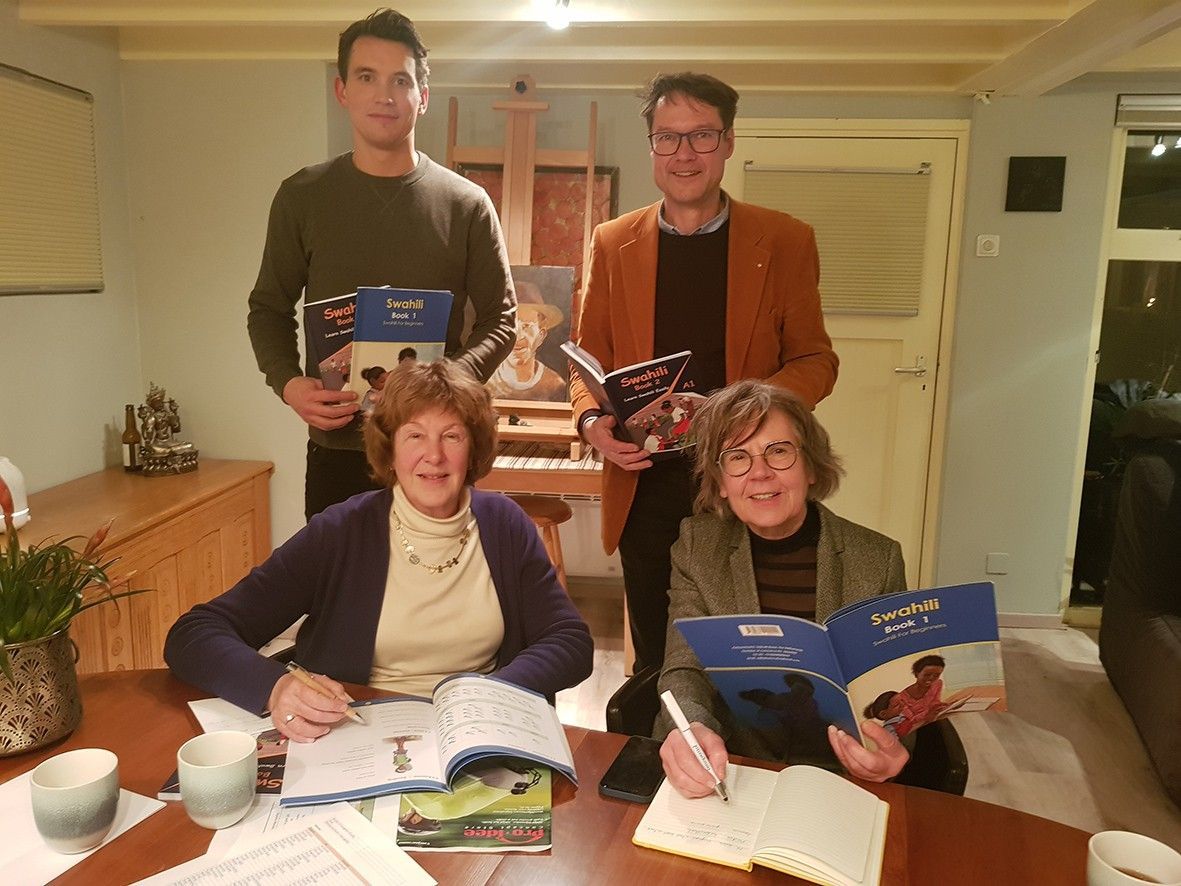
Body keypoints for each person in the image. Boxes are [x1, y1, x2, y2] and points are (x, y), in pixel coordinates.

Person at [164, 360, 593, 742]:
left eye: (451, 435)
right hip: (355, 735)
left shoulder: (504, 524)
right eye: (414, 436)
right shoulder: (341, 531)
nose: (434, 455)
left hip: (477, 732)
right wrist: (275, 687)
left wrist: (492, 691)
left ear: (474, 447)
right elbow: (195, 633)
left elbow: (570, 641)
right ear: (389, 451)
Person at [569, 72, 838, 671]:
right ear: (652, 147)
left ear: (728, 143)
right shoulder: (613, 242)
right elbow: (587, 363)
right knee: (656, 659)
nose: (684, 154)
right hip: (648, 485)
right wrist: (590, 421)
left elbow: (816, 360)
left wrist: (748, 414)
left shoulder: (786, 240)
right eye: (668, 138)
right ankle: (656, 758)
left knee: (748, 655)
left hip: (746, 477)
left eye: (701, 137)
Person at [247, 9, 515, 521]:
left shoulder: (467, 204)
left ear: (423, 96)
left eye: (401, 80)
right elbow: (267, 309)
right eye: (366, 77)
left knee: (440, 595)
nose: (385, 95)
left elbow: (501, 320)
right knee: (340, 596)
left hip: (437, 452)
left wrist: (444, 381)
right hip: (338, 447)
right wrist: (288, 383)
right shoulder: (302, 197)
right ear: (342, 90)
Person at [655, 380, 907, 796]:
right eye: (737, 457)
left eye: (778, 451)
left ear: (810, 466)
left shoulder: (877, 559)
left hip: (840, 773)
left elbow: (890, 691)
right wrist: (693, 727)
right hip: (733, 764)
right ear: (720, 482)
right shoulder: (697, 546)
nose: (759, 472)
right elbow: (683, 666)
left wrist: (891, 745)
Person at [485, 280, 568, 402]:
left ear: (541, 335)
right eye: (511, 327)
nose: (519, 337)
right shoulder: (485, 382)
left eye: (527, 326)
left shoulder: (554, 385)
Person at [892, 654, 951, 735]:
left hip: (934, 720)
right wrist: (928, 714)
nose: (931, 678)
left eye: (936, 675)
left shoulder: (937, 684)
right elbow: (911, 720)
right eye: (927, 675)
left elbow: (935, 702)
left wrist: (941, 706)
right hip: (916, 729)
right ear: (916, 674)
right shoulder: (901, 698)